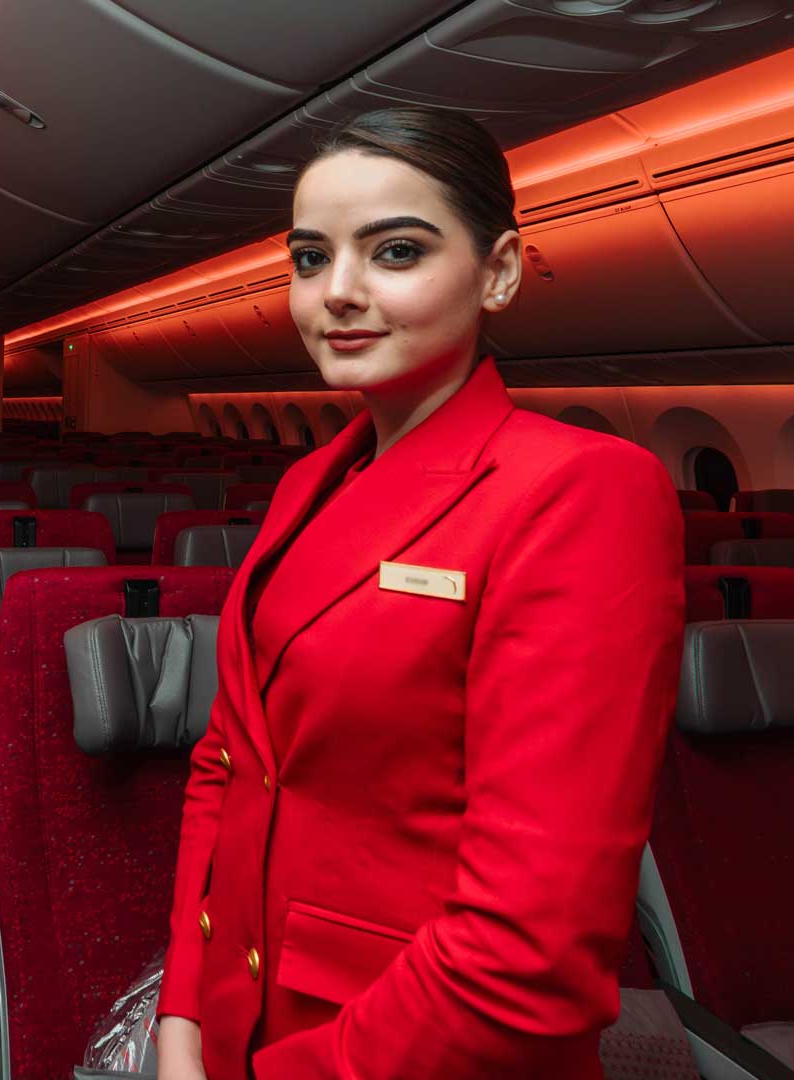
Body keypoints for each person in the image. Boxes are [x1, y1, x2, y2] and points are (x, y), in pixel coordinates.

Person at [154, 108, 684, 1079]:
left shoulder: (580, 491)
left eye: (395, 251)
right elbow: (227, 760)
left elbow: (531, 953)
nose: (338, 294)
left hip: (413, 1051)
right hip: (238, 1026)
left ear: (502, 271)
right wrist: (182, 1014)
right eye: (311, 260)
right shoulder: (307, 484)